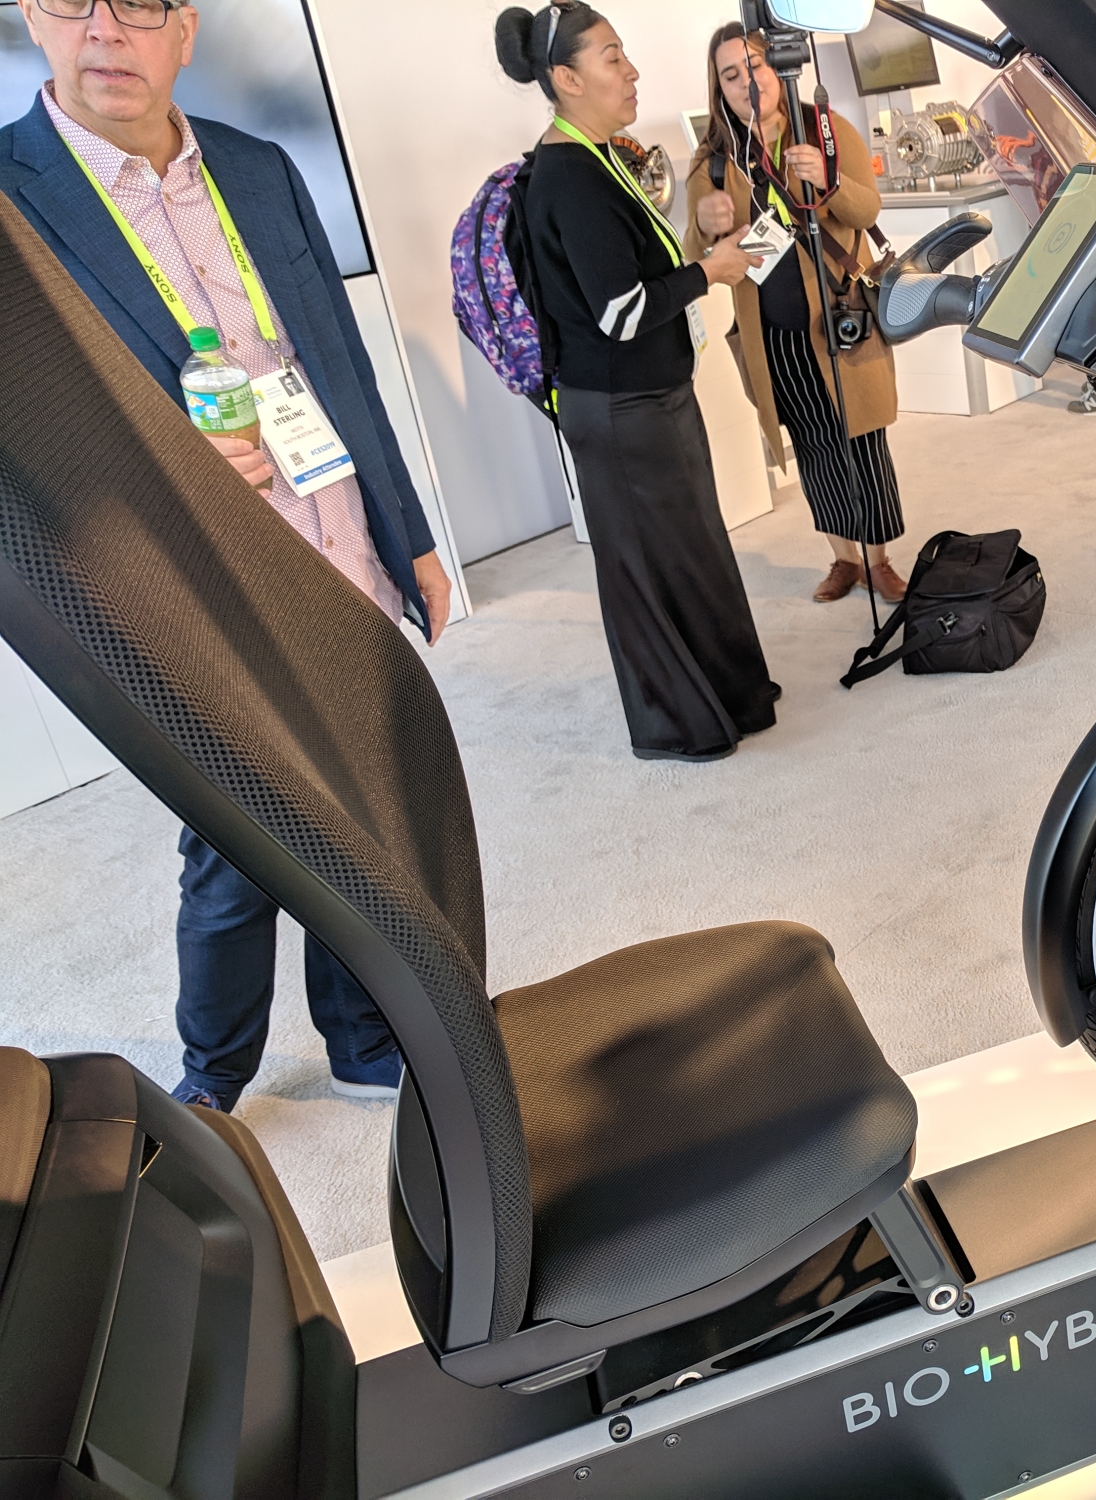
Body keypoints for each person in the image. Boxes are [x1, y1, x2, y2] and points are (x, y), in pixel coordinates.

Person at [0, 0, 456, 1112]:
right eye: (71, 1)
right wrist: (160, 451)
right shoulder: (12, 197)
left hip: (332, 541)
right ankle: (212, 1079)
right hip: (186, 583)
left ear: (184, 30)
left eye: (138, 5)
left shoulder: (256, 168)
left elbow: (338, 364)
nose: (106, 30)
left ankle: (361, 1037)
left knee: (369, 800)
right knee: (235, 841)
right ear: (30, 20)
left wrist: (408, 536)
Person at [497, 3, 779, 760]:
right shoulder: (570, 177)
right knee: (655, 569)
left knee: (693, 554)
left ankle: (731, 697)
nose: (633, 72)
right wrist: (709, 271)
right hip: (623, 410)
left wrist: (704, 256)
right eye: (613, 58)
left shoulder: (595, 159)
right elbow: (621, 313)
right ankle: (680, 721)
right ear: (566, 79)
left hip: (648, 400)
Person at [690, 25, 909, 606]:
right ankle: (845, 559)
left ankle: (879, 561)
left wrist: (828, 183)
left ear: (776, 68)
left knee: (863, 443)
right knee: (814, 447)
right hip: (773, 337)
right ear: (718, 88)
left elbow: (868, 208)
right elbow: (693, 248)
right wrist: (707, 224)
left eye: (755, 66)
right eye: (730, 75)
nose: (748, 82)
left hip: (842, 321)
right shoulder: (715, 160)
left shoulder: (825, 129)